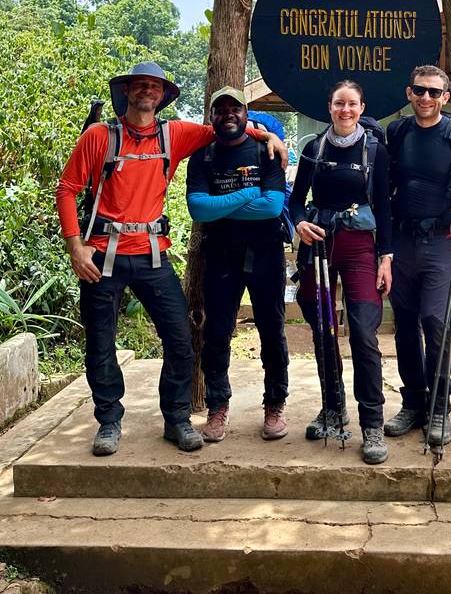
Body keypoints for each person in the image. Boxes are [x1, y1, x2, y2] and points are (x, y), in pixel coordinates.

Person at [56, 62, 286, 457]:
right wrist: (75, 245)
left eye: (155, 87)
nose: (147, 91)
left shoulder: (174, 134)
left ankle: (177, 418)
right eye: (140, 85)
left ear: (163, 97)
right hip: (102, 254)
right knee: (100, 342)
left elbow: (226, 127)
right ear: (127, 92)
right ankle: (109, 421)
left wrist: (268, 136)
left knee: (181, 339)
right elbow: (66, 189)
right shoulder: (99, 137)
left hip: (152, 253)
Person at [290, 80, 392, 465]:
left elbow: (383, 207)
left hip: (360, 247)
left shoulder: (375, 150)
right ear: (329, 107)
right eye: (338, 104)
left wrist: (387, 258)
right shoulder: (314, 149)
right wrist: (299, 224)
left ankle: (373, 423)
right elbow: (296, 201)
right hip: (317, 245)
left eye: (352, 104)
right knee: (323, 329)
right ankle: (332, 408)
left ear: (361, 106)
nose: (345, 110)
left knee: (364, 333)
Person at [383, 65, 451, 447]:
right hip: (402, 239)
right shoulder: (398, 132)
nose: (425, 98)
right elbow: (384, 185)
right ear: (409, 93)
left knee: (435, 322)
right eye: (419, 91)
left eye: (433, 92)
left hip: (442, 240)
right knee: (405, 325)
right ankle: (413, 403)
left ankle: (440, 405)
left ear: (446, 96)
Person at [186, 86, 290, 442]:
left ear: (246, 114)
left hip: (266, 255)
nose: (228, 114)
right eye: (221, 109)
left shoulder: (267, 151)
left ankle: (274, 406)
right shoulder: (204, 157)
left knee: (272, 332)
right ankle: (217, 408)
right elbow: (198, 209)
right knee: (216, 334)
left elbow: (273, 208)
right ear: (213, 115)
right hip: (221, 256)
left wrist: (223, 204)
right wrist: (248, 194)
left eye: (235, 108)